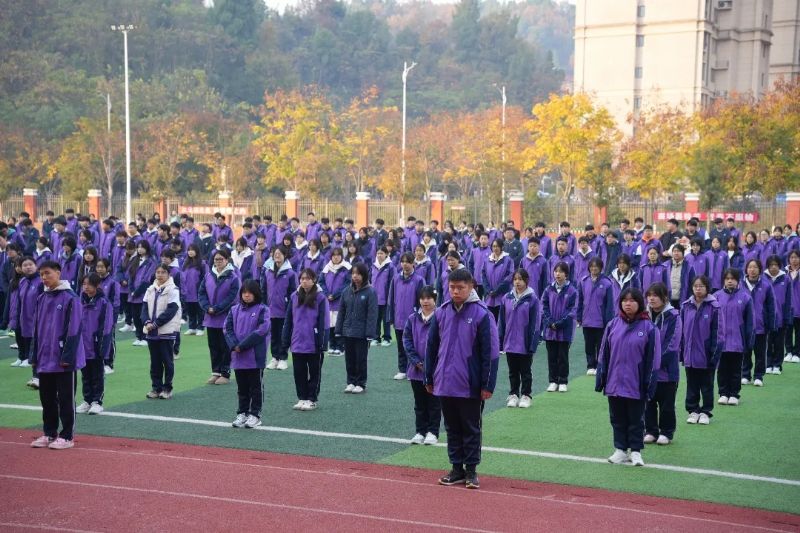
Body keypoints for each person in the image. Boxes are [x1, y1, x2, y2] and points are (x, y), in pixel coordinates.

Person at [425, 268, 498, 489]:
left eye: (460, 288)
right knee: (452, 427)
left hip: (469, 384)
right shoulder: (441, 312)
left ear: (471, 287)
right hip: (444, 381)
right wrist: (429, 377)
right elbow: (431, 347)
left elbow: (491, 353)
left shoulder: (482, 314)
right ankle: (456, 468)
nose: (455, 291)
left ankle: (471, 470)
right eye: (452, 287)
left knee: (471, 428)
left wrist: (487, 384)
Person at [596, 288, 660, 466]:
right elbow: (604, 353)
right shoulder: (613, 325)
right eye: (624, 300)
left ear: (639, 303)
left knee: (636, 419)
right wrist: (601, 377)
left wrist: (649, 383)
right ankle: (620, 449)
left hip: (635, 383)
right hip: (614, 382)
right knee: (617, 418)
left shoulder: (649, 328)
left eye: (632, 300)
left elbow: (653, 359)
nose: (628, 304)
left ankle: (636, 451)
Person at [29, 260, 83, 450]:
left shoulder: (71, 298)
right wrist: (33, 355)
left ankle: (67, 436)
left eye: (48, 273)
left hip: (63, 359)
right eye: (41, 274)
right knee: (47, 398)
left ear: (58, 273)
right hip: (44, 357)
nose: (44, 277)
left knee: (66, 398)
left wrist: (67, 356)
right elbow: (36, 329)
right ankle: (49, 433)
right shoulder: (41, 298)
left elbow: (74, 330)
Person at [225, 280, 271, 427]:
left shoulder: (263, 309)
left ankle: (255, 415)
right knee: (242, 387)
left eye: (250, 292)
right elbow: (227, 328)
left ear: (256, 293)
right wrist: (234, 345)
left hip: (254, 356)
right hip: (238, 355)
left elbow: (262, 330)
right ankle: (242, 413)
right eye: (244, 292)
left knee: (256, 387)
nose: (246, 295)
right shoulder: (234, 310)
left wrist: (242, 345)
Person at [283, 269, 329, 411]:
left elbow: (324, 322)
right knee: (299, 372)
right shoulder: (294, 296)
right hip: (297, 341)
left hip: (314, 342)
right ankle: (302, 397)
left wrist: (322, 342)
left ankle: (312, 399)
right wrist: (285, 339)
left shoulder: (320, 297)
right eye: (302, 278)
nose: (304, 281)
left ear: (314, 280)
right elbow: (288, 319)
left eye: (307, 278)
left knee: (315, 373)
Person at [403, 286, 442, 445]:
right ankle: (420, 431)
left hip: (435, 370)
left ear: (435, 300)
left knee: (434, 403)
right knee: (419, 403)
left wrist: (431, 364)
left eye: (429, 298)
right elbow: (407, 341)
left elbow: (444, 343)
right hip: (416, 370)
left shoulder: (440, 317)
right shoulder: (412, 319)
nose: (425, 301)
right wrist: (417, 362)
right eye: (422, 298)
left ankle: (433, 432)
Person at [681, 276, 722, 425]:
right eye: (696, 286)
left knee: (707, 385)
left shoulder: (714, 307)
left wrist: (714, 354)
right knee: (691, 384)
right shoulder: (686, 306)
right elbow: (681, 331)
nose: (698, 289)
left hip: (706, 355)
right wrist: (682, 351)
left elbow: (718, 333)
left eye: (701, 286)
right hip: (690, 354)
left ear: (707, 288)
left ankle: (705, 412)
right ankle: (693, 410)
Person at [644, 282, 682, 446]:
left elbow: (672, 344)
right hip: (647, 369)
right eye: (649, 295)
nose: (651, 299)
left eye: (655, 296)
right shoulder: (644, 315)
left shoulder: (674, 316)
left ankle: (666, 432)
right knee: (649, 402)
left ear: (665, 298)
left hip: (667, 370)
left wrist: (655, 363)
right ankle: (651, 430)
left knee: (667, 404)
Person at [498, 269, 540, 408]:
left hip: (524, 342)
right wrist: (500, 339)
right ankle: (513, 394)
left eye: (520, 279)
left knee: (525, 371)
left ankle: (526, 395)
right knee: (512, 371)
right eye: (515, 279)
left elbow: (535, 323)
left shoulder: (532, 299)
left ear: (526, 281)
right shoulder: (507, 298)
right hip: (510, 341)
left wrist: (532, 342)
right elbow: (502, 321)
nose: (517, 282)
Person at [199, 248, 240, 385]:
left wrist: (216, 308)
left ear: (227, 260)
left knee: (225, 346)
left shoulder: (233, 277)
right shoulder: (208, 275)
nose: (218, 262)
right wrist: (207, 307)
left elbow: (232, 297)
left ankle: (225, 373)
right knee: (213, 345)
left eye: (221, 259)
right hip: (210, 317)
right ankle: (215, 372)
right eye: (216, 259)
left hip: (225, 317)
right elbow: (201, 293)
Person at [336, 262, 378, 394]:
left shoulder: (370, 292)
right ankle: (351, 382)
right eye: (353, 273)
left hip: (362, 333)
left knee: (361, 359)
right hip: (347, 331)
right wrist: (338, 329)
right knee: (349, 359)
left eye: (358, 274)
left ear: (364, 275)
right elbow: (341, 312)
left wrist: (370, 334)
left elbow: (372, 314)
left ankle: (360, 383)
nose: (355, 276)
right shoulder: (346, 291)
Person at [714, 268, 753, 406]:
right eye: (727, 279)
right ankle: (723, 393)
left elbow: (750, 322)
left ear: (738, 280)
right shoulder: (716, 297)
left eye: (733, 278)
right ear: (724, 280)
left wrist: (749, 341)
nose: (730, 281)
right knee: (722, 369)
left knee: (736, 370)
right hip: (721, 342)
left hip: (737, 341)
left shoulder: (745, 297)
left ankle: (734, 394)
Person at [142, 264, 181, 399]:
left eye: (163, 272)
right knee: (155, 362)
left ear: (169, 274)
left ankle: (167, 388)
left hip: (166, 331)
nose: (160, 275)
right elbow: (144, 308)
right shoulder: (150, 289)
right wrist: (147, 322)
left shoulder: (173, 289)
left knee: (167, 361)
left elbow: (172, 310)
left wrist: (156, 324)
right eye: (157, 272)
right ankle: (156, 388)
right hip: (151, 331)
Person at [76, 274, 114, 415]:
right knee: (85, 375)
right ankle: (87, 400)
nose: (86, 287)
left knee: (97, 375)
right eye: (84, 284)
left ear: (97, 285)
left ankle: (97, 402)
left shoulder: (104, 303)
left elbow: (106, 327)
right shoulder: (79, 301)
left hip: (96, 345)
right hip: (82, 346)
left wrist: (103, 346)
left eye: (89, 284)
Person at [541, 262, 578, 392]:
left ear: (566, 274)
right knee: (551, 356)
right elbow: (544, 306)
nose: (558, 274)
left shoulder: (572, 291)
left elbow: (572, 310)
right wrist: (550, 322)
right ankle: (553, 381)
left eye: (561, 271)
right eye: (556, 271)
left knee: (563, 356)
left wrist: (560, 323)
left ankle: (562, 381)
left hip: (564, 330)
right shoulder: (548, 289)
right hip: (550, 330)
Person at [388, 252, 424, 380]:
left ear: (413, 263)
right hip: (398, 318)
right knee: (400, 346)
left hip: (413, 320)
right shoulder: (396, 279)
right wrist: (391, 317)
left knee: (412, 346)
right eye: (402, 262)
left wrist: (419, 317)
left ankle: (412, 370)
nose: (405, 264)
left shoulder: (419, 280)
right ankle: (402, 369)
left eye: (408, 262)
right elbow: (391, 299)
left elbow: (422, 300)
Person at [262, 246, 298, 370]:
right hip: (271, 309)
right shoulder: (268, 272)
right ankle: (275, 357)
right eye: (275, 253)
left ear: (285, 256)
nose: (276, 255)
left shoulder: (290, 273)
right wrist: (264, 305)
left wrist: (290, 308)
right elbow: (264, 290)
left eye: (279, 253)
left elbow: (294, 293)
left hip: (284, 310)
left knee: (283, 335)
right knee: (273, 335)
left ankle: (283, 358)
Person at [577, 257, 614, 375]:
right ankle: (590, 365)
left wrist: (609, 321)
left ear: (601, 268)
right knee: (589, 344)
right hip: (587, 319)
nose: (594, 268)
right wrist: (579, 317)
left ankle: (600, 365)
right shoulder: (583, 281)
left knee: (600, 345)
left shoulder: (607, 283)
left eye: (596, 266)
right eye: (592, 266)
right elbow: (580, 301)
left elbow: (610, 305)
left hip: (600, 321)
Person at [742, 259, 775, 387]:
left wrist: (771, 324)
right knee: (746, 352)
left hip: (761, 326)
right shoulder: (740, 285)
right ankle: (745, 374)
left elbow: (771, 306)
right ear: (746, 269)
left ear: (760, 269)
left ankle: (758, 376)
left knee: (760, 353)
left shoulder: (766, 285)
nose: (752, 270)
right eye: (750, 267)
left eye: (755, 267)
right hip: (744, 326)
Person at [765, 255, 792, 375]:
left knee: (779, 343)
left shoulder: (786, 279)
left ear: (779, 266)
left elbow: (788, 300)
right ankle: (768, 364)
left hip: (780, 318)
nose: (773, 267)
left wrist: (787, 317)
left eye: (776, 265)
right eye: (771, 265)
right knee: (767, 343)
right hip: (766, 318)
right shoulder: (763, 278)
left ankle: (777, 365)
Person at [127, 240, 157, 346]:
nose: (140, 249)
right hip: (133, 295)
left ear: (147, 248)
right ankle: (139, 336)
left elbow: (147, 279)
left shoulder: (151, 262)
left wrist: (137, 291)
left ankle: (146, 337)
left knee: (143, 316)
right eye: (138, 247)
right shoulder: (134, 260)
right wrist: (131, 290)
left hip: (144, 294)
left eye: (142, 247)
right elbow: (130, 276)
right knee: (135, 317)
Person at [95, 259, 120, 374]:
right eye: (98, 266)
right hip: (96, 315)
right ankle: (99, 363)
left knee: (109, 339)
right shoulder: (94, 281)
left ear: (107, 268)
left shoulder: (113, 282)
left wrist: (113, 318)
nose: (99, 269)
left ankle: (109, 364)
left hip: (108, 316)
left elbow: (115, 302)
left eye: (102, 267)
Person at [482, 238, 515, 320]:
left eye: (497, 246)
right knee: (491, 320)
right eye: (493, 246)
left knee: (502, 320)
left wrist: (496, 291)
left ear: (501, 247)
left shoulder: (508, 260)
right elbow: (483, 275)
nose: (495, 248)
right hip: (490, 297)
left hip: (502, 295)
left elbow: (509, 277)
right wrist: (489, 290)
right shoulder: (487, 261)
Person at [181, 243, 207, 336]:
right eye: (189, 250)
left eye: (192, 250)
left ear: (197, 251)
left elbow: (205, 277)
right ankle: (192, 327)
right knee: (190, 310)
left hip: (197, 291)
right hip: (187, 291)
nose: (190, 252)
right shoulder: (185, 263)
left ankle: (200, 328)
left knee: (199, 310)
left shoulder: (202, 263)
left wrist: (202, 289)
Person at [371, 247, 395, 347]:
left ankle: (387, 338)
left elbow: (393, 282)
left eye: (381, 253)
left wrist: (390, 297)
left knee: (386, 319)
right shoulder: (373, 265)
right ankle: (376, 338)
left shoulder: (390, 266)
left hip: (386, 298)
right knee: (376, 319)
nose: (379, 255)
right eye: (378, 253)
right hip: (375, 298)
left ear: (386, 254)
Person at [784, 250, 800, 364]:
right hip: (788, 308)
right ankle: (788, 352)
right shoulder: (784, 273)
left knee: (799, 332)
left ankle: (797, 353)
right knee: (787, 331)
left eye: (796, 257)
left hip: (799, 307)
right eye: (792, 257)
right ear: (789, 259)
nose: (794, 260)